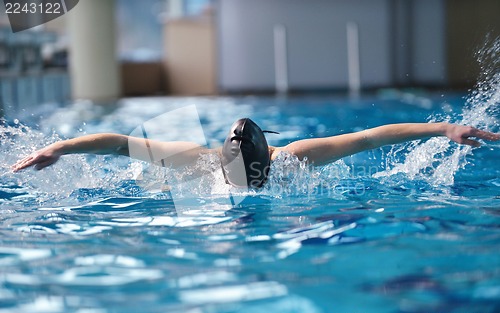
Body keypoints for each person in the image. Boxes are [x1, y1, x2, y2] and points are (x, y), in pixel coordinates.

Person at [11, 119, 500, 189]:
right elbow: (118, 143)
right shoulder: (195, 161)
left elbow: (372, 137)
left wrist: (444, 129)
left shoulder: (295, 159)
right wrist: (58, 147)